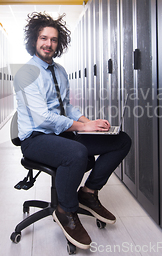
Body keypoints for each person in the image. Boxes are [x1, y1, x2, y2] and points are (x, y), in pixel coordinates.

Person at [13, 12, 132, 250]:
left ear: (59, 43)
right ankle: (65, 210)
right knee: (77, 153)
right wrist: (82, 128)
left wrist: (91, 124)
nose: (48, 44)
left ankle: (87, 193)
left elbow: (66, 106)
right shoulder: (26, 73)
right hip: (36, 138)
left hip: (61, 133)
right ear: (34, 41)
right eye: (43, 38)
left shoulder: (60, 71)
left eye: (54, 39)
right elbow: (43, 118)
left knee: (120, 141)